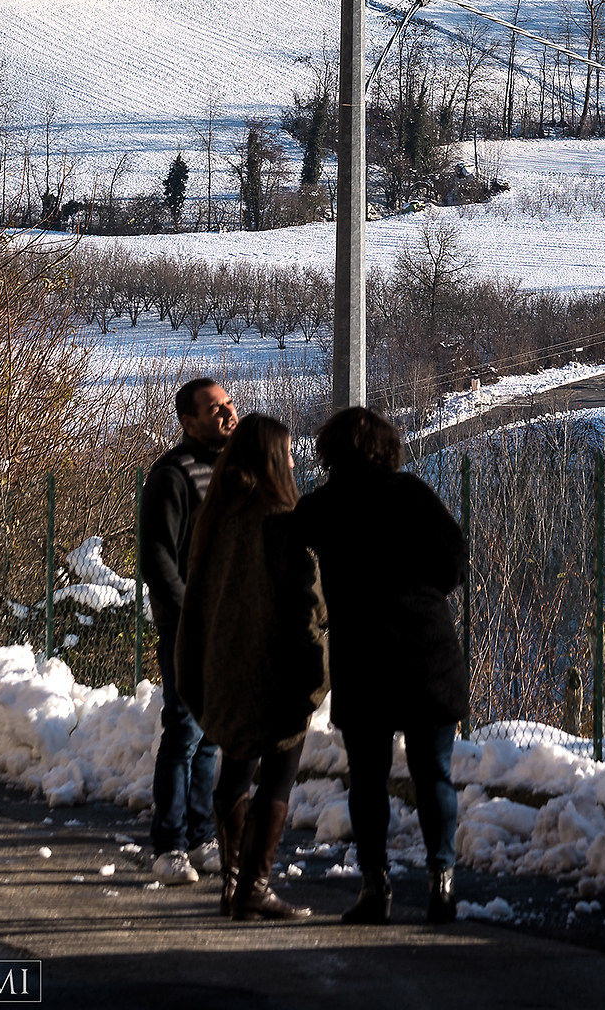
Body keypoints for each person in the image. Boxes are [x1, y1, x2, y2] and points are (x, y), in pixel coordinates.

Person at [292, 405, 467, 926]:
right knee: (433, 773)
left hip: (362, 657)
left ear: (331, 452)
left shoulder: (322, 507)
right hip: (426, 651)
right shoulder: (412, 494)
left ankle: (376, 887)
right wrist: (420, 593)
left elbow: (283, 537)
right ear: (385, 448)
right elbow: (454, 560)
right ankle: (443, 882)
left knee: (367, 779)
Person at [176, 413, 328, 920]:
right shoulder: (282, 523)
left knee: (235, 770)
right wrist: (318, 673)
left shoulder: (216, 520)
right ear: (269, 459)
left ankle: (234, 884)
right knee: (278, 778)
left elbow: (197, 602)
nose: (292, 459)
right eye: (285, 452)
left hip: (224, 667)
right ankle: (255, 887)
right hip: (275, 671)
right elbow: (308, 608)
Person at [139, 375, 236, 882]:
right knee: (184, 734)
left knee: (211, 738)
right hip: (188, 630)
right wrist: (188, 615)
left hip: (229, 627)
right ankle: (168, 845)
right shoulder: (172, 475)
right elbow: (156, 557)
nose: (226, 414)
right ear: (188, 420)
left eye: (229, 404)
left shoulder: (229, 471)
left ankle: (201, 838)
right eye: (214, 409)